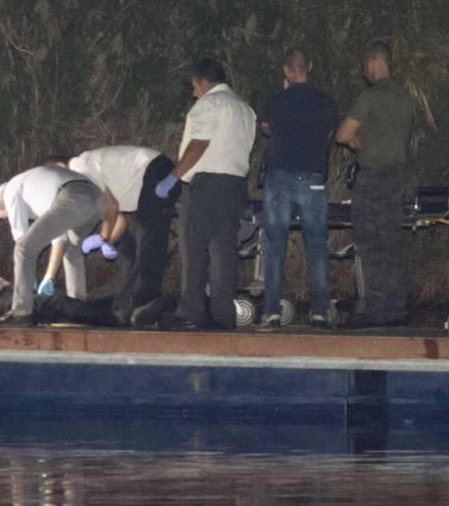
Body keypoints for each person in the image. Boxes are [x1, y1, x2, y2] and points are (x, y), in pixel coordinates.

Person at [154, 57, 257, 331]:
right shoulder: (246, 109)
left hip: (207, 186)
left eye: (194, 86)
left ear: (203, 81)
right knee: (224, 250)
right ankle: (223, 315)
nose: (193, 91)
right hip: (235, 186)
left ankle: (191, 311)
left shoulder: (209, 104)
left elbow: (199, 144)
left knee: (194, 248)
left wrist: (173, 177)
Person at [256, 48, 339, 329]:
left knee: (274, 245)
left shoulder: (276, 101)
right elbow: (330, 136)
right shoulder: (325, 102)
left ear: (286, 70)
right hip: (313, 178)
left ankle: (272, 312)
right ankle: (319, 312)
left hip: (279, 177)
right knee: (316, 246)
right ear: (309, 67)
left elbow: (266, 129)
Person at [335, 40, 415, 328]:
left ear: (373, 62)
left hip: (371, 178)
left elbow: (343, 134)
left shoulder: (370, 96)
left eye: (365, 66)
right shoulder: (406, 97)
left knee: (370, 244)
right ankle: (396, 307)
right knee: (392, 242)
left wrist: (355, 141)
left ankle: (374, 309)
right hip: (396, 178)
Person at [66, 145, 181, 326]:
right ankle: (126, 304)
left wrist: (103, 237)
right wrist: (108, 242)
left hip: (155, 171)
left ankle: (144, 303)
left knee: (148, 242)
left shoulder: (80, 168)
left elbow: (111, 206)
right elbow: (118, 217)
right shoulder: (84, 172)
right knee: (128, 247)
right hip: (140, 191)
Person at [0, 164, 117, 323]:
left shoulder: (11, 190)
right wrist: (49, 276)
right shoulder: (35, 189)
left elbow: (22, 240)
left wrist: (29, 283)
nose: (7, 221)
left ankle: (21, 313)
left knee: (23, 249)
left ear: (3, 204)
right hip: (97, 199)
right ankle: (78, 309)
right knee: (73, 251)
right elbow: (60, 239)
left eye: (6, 217)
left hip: (72, 196)